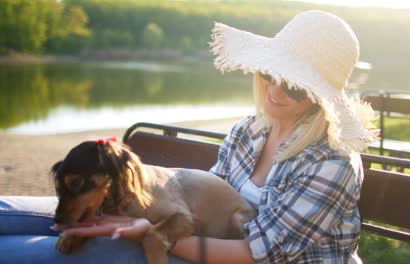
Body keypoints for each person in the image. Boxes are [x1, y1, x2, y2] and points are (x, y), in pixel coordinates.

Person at [0, 10, 378, 263]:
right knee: (6, 215)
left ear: (320, 96)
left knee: (32, 254)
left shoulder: (333, 161)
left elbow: (259, 255)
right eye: (269, 74)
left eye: (294, 87)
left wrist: (149, 234)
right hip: (200, 241)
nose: (274, 92)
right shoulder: (250, 130)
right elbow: (204, 198)